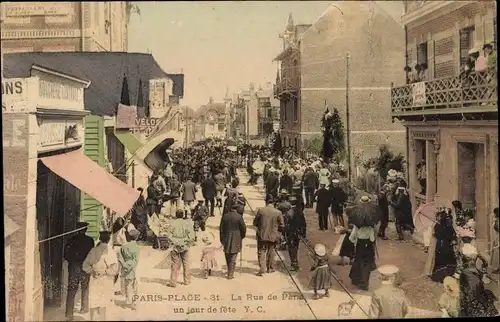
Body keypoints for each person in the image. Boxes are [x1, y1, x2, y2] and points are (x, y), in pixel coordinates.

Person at [82, 231, 119, 321]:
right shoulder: (111, 252)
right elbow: (115, 269)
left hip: (95, 279)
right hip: (106, 280)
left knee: (94, 303)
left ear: (99, 239)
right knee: (103, 304)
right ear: (109, 239)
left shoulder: (93, 250)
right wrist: (105, 272)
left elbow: (85, 266)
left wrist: (92, 271)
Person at [64, 222, 95, 321]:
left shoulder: (70, 240)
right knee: (85, 287)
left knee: (72, 290)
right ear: (86, 230)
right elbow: (92, 255)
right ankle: (84, 308)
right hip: (85, 267)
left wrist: (72, 261)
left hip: (74, 267)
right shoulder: (90, 241)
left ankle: (69, 313)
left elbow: (65, 255)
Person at [458, 243, 498, 317]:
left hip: (468, 294)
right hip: (474, 294)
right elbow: (486, 265)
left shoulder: (464, 270)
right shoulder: (475, 273)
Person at [348, 198, 377, 291]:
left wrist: (355, 242)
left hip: (360, 243)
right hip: (368, 244)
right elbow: (372, 237)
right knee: (367, 264)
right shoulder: (371, 219)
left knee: (358, 261)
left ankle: (356, 279)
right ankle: (364, 283)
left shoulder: (357, 220)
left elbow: (351, 237)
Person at [253, 195, 285, 276]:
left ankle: (262, 268)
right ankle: (270, 268)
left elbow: (255, 223)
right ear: (273, 202)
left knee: (261, 252)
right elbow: (282, 225)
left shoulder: (261, 210)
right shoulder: (278, 212)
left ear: (266, 201)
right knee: (271, 252)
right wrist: (278, 233)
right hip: (273, 236)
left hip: (262, 235)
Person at [167, 209, 196, 287]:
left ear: (176, 215)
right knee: (186, 264)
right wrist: (184, 242)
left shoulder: (172, 223)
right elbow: (192, 237)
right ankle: (187, 280)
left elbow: (169, 236)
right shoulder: (187, 224)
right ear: (183, 215)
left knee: (174, 264)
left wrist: (176, 242)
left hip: (175, 246)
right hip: (185, 246)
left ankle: (173, 282)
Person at [220, 201, 247, 279]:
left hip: (227, 237)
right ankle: (230, 274)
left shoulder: (225, 216)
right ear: (236, 208)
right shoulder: (239, 217)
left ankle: (229, 270)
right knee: (233, 255)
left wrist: (222, 239)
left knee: (227, 254)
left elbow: (221, 229)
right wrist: (242, 236)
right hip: (236, 237)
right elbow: (243, 228)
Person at [431, 208, 457, 283]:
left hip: (441, 245)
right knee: (448, 261)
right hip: (447, 245)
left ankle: (440, 277)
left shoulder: (438, 226)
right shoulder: (448, 226)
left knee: (441, 261)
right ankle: (448, 276)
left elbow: (437, 235)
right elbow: (452, 235)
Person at [117, 229, 140, 310]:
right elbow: (136, 260)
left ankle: (128, 299)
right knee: (135, 286)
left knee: (127, 284)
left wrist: (124, 265)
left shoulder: (123, 246)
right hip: (133, 269)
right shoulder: (136, 247)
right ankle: (134, 303)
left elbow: (119, 257)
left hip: (125, 267)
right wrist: (130, 267)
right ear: (136, 237)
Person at [285, 196, 307, 271]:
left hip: (291, 234)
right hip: (298, 233)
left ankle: (294, 263)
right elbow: (304, 224)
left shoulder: (288, 212)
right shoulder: (300, 212)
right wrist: (303, 234)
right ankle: (295, 262)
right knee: (296, 247)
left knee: (291, 248)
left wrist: (284, 235)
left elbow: (286, 225)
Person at [491, 207, 499, 274]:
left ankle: (498, 268)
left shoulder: (497, 222)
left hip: (498, 238)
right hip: (496, 238)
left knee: (497, 253)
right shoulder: (496, 221)